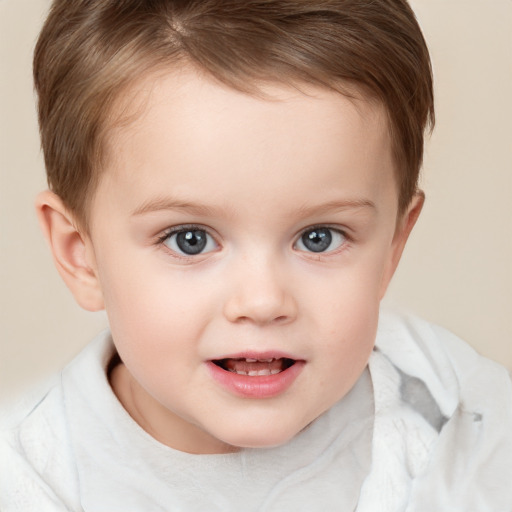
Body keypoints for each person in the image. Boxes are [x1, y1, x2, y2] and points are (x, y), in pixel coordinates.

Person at [1, 0, 511, 510]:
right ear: (80, 254)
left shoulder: (462, 420)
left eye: (319, 237)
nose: (263, 301)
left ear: (392, 249)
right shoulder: (29, 483)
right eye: (190, 239)